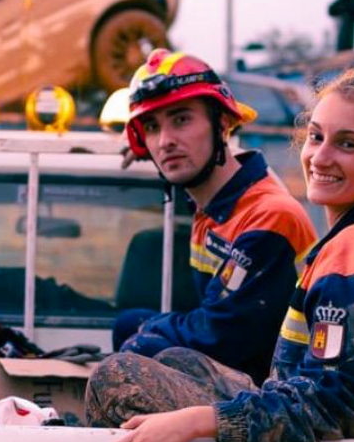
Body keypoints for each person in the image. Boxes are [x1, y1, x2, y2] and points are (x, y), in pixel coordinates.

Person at [90, 67, 354, 442]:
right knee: (175, 361)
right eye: (316, 137)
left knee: (117, 378)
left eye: (347, 144)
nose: (321, 157)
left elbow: (334, 404)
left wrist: (196, 423)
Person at [112, 49, 316, 384]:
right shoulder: (217, 199)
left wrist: (149, 328)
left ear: (222, 124)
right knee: (128, 324)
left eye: (181, 119)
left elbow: (219, 336)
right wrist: (137, 143)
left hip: (275, 390)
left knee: (141, 343)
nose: (165, 142)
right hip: (240, 356)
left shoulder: (268, 216)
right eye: (152, 127)